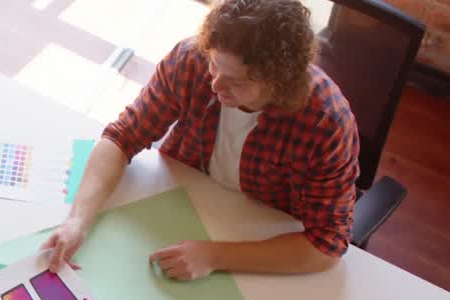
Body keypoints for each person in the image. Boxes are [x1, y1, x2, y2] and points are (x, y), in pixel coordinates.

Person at [43, 0, 360, 281]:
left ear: (280, 82)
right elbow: (122, 136)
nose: (216, 84)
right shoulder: (191, 59)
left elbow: (326, 246)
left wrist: (215, 256)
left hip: (258, 234)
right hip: (181, 202)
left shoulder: (326, 122)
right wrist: (77, 221)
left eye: (237, 81)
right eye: (214, 64)